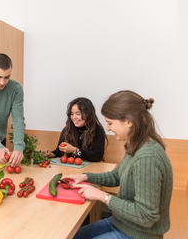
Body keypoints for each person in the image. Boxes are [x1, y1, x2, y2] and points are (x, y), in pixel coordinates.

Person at [64, 90, 173, 239]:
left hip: (139, 234)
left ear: (128, 121)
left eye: (110, 123)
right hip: (122, 223)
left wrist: (102, 196)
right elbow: (116, 176)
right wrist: (84, 176)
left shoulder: (148, 157)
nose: (108, 128)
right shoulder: (136, 146)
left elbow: (146, 216)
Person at [44, 97, 107, 162]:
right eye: (72, 114)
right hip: (71, 167)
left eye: (78, 114)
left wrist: (75, 150)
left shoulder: (98, 131)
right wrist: (51, 154)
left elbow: (97, 156)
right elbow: (59, 151)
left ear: (88, 114)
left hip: (90, 168)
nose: (74, 117)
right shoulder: (68, 129)